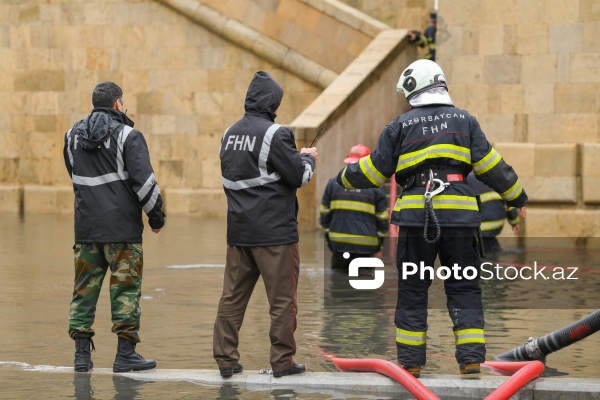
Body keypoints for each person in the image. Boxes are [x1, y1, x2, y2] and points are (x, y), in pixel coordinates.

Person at [337, 59, 528, 378]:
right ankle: (470, 360)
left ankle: (411, 363)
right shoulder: (466, 121)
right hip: (461, 219)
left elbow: (374, 171)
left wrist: (343, 177)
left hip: (415, 218)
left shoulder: (399, 125)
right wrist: (517, 197)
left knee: (413, 288)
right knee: (465, 287)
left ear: (413, 88)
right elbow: (494, 168)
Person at [214, 71, 317, 378]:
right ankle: (282, 362)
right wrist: (308, 159)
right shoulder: (277, 133)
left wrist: (293, 159)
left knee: (232, 299)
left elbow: (250, 175)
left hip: (239, 234)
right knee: (282, 302)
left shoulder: (228, 133)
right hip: (275, 236)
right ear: (272, 102)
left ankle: (225, 359)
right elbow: (298, 176)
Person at [63, 81, 165, 373]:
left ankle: (82, 357)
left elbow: (75, 175)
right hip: (122, 232)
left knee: (83, 291)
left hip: (85, 230)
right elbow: (145, 184)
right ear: (119, 104)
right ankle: (125, 355)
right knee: (126, 291)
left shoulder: (71, 137)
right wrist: (156, 217)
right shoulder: (128, 136)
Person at [320, 144, 389, 270]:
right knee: (364, 285)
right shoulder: (376, 187)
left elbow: (324, 215)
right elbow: (383, 219)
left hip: (339, 245)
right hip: (366, 246)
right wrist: (379, 243)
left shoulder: (333, 183)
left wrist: (329, 239)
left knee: (337, 285)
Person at [467, 172, 520, 254]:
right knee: (490, 250)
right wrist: (514, 222)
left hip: (478, 227)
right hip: (494, 226)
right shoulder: (498, 178)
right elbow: (510, 205)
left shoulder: (467, 179)